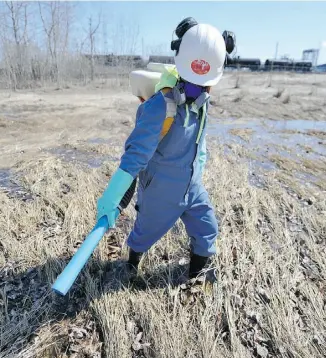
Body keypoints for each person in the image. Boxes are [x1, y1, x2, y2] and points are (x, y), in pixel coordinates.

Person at [95, 18, 230, 283]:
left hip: (192, 186)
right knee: (144, 234)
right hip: (160, 190)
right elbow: (135, 156)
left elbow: (199, 143)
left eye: (206, 85)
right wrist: (112, 197)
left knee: (207, 228)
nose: (203, 90)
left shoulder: (203, 103)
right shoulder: (161, 106)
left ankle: (197, 275)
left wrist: (200, 166)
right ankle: (131, 266)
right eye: (201, 84)